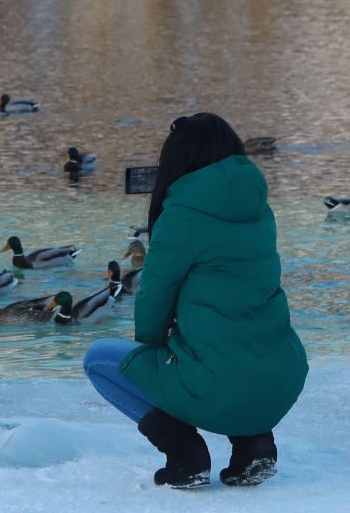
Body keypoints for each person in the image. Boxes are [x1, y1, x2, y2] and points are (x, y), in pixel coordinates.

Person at [83, 113, 307, 489]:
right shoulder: (260, 210)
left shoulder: (183, 214)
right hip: (281, 380)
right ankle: (255, 445)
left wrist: (154, 350)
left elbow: (154, 294)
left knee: (101, 360)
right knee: (235, 342)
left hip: (217, 385)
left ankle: (184, 453)